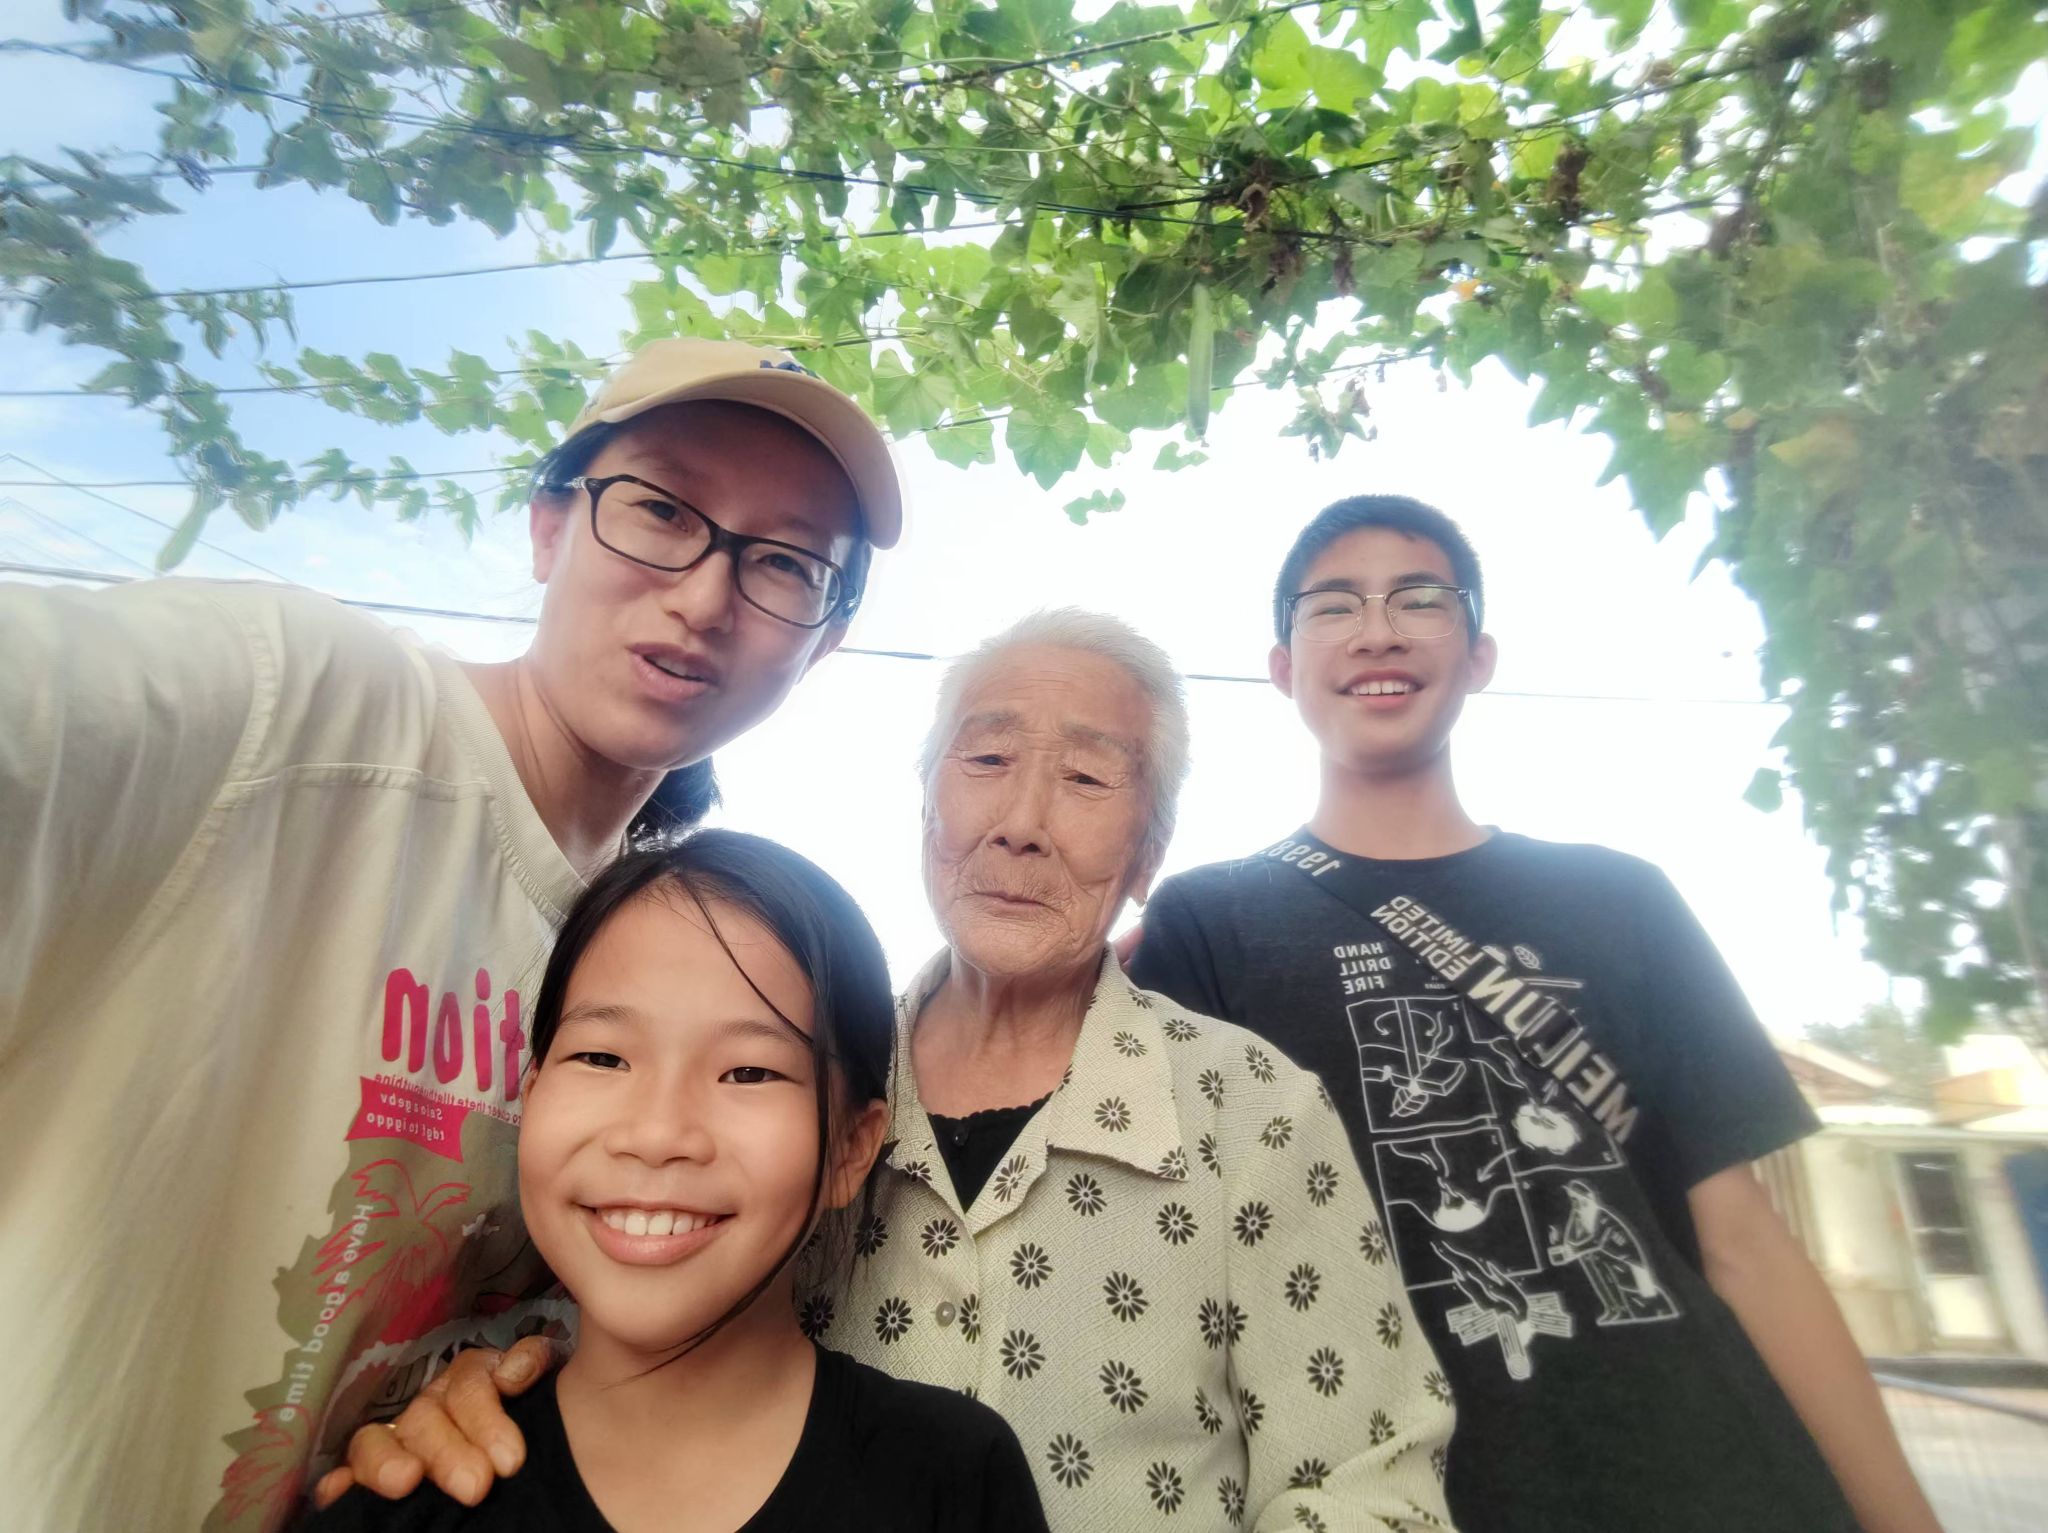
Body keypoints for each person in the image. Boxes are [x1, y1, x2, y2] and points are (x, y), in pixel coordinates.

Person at [0, 338, 902, 1533]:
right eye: (660, 510)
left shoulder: (632, 959)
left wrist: (498, 1372)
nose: (703, 597)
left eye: (784, 563)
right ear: (548, 526)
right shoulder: (291, 705)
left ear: (823, 642)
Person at [332, 610, 1458, 1532]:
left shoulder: (1249, 1106)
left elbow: (1367, 1485)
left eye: (1084, 777)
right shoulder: (789, 1082)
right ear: (926, 804)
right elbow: (608, 1288)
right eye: (986, 759)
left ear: (1148, 853)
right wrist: (476, 1385)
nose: (1020, 822)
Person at [1125, 496, 1942, 1533]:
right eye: (1333, 606)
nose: (1377, 631)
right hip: (1402, 1499)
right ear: (1283, 667)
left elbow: (1746, 1243)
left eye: (1420, 599)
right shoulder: (1209, 920)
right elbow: (1181, 1266)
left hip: (1721, 1478)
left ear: (1478, 655)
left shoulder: (1621, 897)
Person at [304, 830, 1047, 1533]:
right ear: (531, 1098)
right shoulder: (396, 1507)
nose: (657, 1134)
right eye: (602, 1057)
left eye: (748, 1071)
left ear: (851, 1149)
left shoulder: (953, 1478)